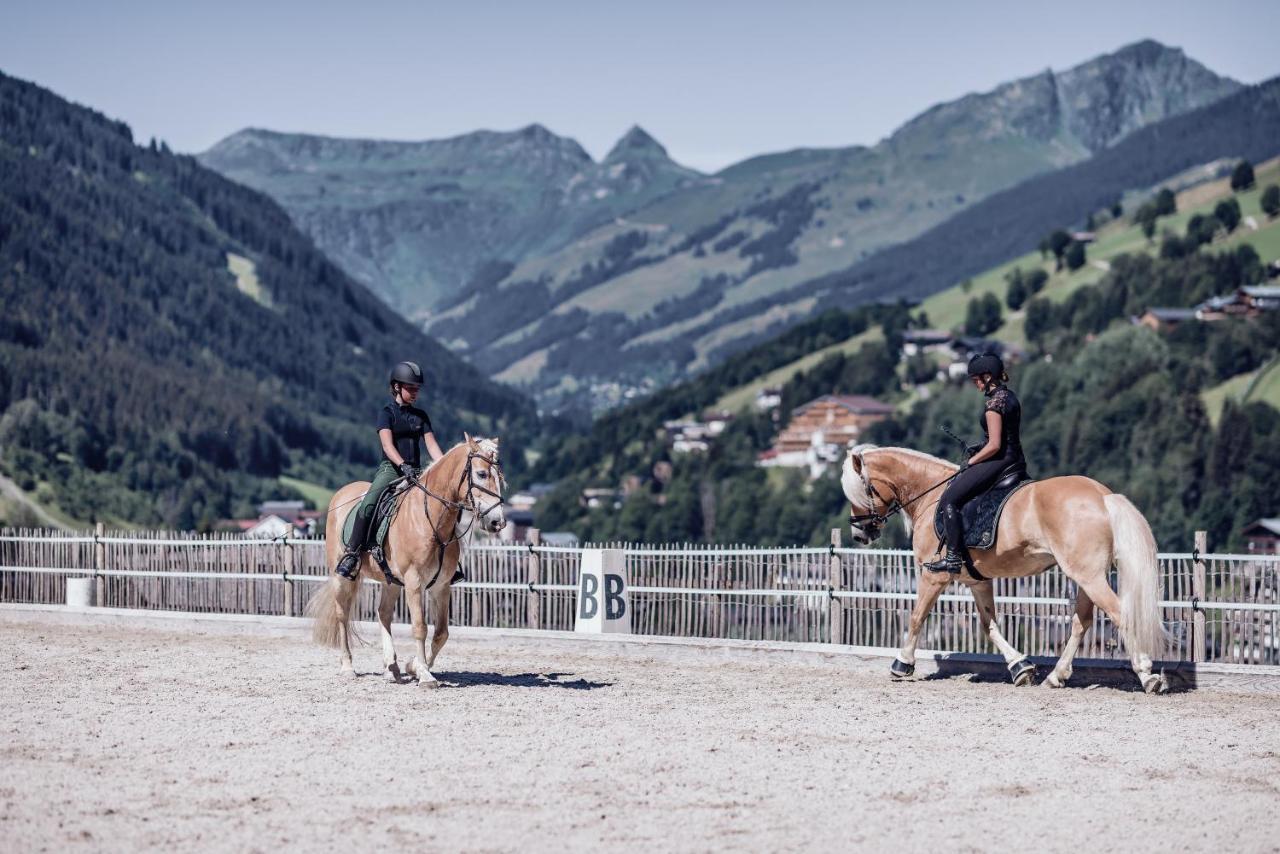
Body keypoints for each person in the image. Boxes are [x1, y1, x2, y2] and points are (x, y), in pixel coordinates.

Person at [335, 361, 445, 579]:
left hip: (416, 472)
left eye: (417, 389)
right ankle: (352, 554)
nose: (415, 393)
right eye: (410, 388)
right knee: (368, 504)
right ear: (396, 387)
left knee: (444, 505)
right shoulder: (386, 413)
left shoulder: (421, 417)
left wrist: (443, 467)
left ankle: (449, 561)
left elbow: (431, 446)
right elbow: (387, 445)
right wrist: (402, 465)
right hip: (391, 470)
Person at [923, 352, 1026, 574]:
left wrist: (971, 461)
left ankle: (953, 558)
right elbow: (1003, 437)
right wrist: (980, 446)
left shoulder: (993, 405)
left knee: (950, 500)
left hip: (1000, 460)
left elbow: (995, 445)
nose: (975, 384)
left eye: (976, 379)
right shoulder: (1009, 397)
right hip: (1016, 458)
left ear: (988, 377)